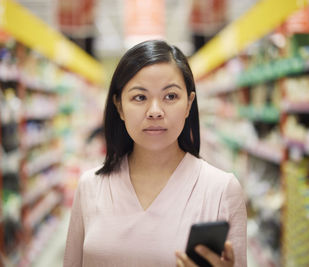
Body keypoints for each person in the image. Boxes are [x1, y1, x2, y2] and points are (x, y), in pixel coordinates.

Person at [64, 40, 247, 267]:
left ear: (189, 104)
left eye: (170, 96)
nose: (155, 111)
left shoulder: (222, 190)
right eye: (139, 97)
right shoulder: (90, 187)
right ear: (119, 106)